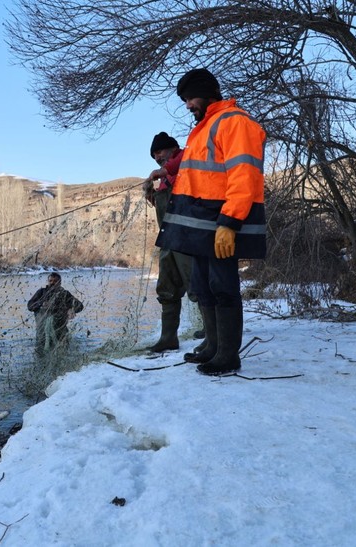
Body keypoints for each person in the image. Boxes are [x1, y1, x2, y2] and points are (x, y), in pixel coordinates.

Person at [156, 68, 266, 375]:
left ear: (206, 93)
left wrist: (229, 223)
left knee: (223, 286)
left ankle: (228, 356)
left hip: (221, 222)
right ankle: (213, 347)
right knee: (202, 286)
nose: (188, 105)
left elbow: (244, 176)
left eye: (190, 98)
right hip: (200, 224)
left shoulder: (235, 122)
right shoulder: (203, 127)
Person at [142, 132, 206, 353]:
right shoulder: (165, 179)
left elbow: (187, 159)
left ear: (171, 148)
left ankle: (213, 333)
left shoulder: (187, 159)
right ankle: (168, 338)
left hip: (189, 239)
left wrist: (164, 170)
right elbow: (164, 207)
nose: (157, 158)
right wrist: (152, 195)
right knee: (166, 289)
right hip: (168, 241)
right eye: (154, 156)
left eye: (159, 152)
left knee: (197, 286)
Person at [27, 272, 84, 356]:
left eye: (55, 281)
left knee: (63, 354)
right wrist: (41, 304)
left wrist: (72, 309)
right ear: (48, 281)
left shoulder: (65, 294)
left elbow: (80, 306)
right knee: (41, 354)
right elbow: (30, 306)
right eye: (50, 281)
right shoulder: (41, 292)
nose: (52, 283)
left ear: (60, 282)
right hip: (42, 333)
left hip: (60, 331)